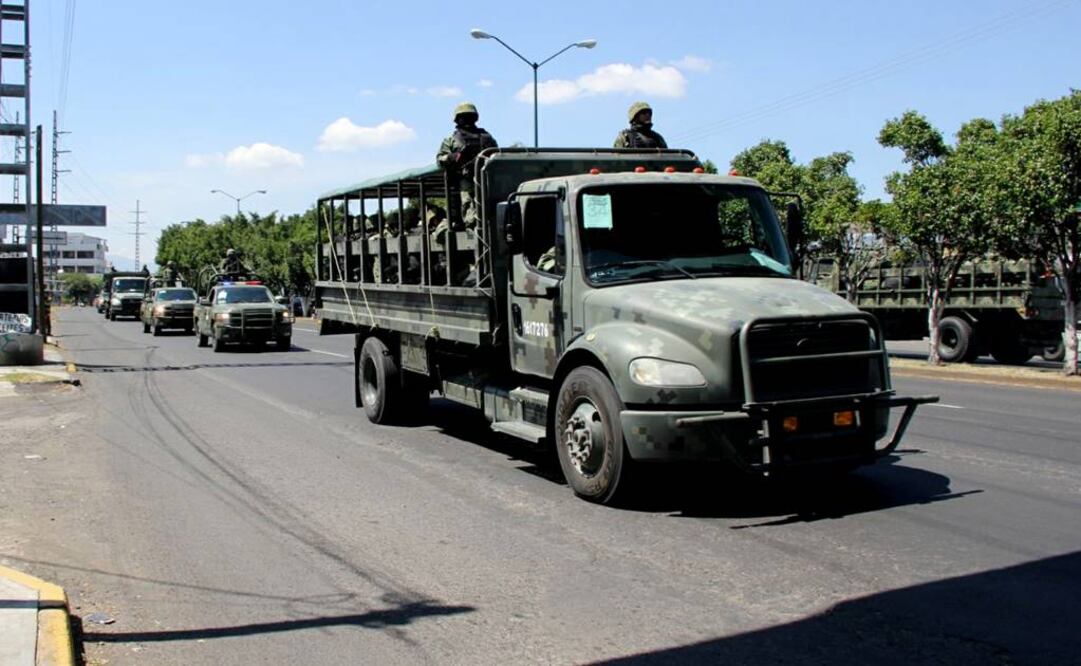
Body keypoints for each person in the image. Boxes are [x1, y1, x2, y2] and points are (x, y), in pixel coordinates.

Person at [437, 102, 498, 229]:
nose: (466, 120)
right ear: (457, 120)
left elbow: (497, 156)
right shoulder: (451, 140)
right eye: (463, 117)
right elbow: (440, 160)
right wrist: (453, 157)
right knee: (469, 206)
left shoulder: (487, 138)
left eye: (469, 116)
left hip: (486, 178)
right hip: (465, 178)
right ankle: (473, 226)